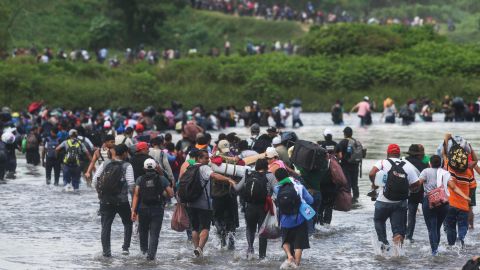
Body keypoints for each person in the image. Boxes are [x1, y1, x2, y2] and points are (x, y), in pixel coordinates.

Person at [184, 149, 236, 257]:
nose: (208, 160)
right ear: (199, 158)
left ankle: (196, 250)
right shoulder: (204, 168)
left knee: (194, 228)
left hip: (190, 203)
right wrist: (228, 179)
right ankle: (200, 248)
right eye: (206, 158)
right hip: (204, 204)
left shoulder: (189, 168)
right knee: (205, 228)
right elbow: (214, 175)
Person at [368, 144, 420, 250]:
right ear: (399, 154)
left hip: (382, 201)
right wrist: (409, 189)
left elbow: (372, 173)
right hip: (400, 202)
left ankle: (384, 243)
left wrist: (375, 183)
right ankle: (398, 253)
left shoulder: (382, 163)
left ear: (388, 153)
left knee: (379, 221)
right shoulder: (407, 165)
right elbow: (417, 184)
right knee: (398, 230)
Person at [418, 155, 470, 255]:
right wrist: (465, 196)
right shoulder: (446, 173)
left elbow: (418, 184)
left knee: (432, 228)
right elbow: (454, 187)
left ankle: (434, 251)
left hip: (429, 202)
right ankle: (436, 248)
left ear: (430, 163)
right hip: (444, 203)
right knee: (437, 227)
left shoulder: (425, 171)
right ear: (441, 164)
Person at [93, 144, 134, 257]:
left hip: (105, 201)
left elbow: (95, 180)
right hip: (122, 201)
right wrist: (134, 200)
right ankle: (125, 248)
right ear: (125, 153)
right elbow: (131, 184)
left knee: (106, 226)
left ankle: (106, 252)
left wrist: (100, 195)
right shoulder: (127, 165)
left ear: (115, 153)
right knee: (128, 223)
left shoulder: (105, 163)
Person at [232, 159, 276, 259]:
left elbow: (237, 188)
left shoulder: (248, 174)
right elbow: (276, 190)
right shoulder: (270, 176)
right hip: (263, 208)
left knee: (250, 228)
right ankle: (262, 256)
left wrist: (231, 182)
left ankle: (250, 249)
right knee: (262, 230)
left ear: (256, 167)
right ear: (266, 167)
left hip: (249, 207)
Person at [131, 158, 174, 260]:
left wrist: (133, 210)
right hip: (157, 209)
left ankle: (143, 253)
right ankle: (151, 256)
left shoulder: (140, 179)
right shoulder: (162, 179)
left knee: (143, 232)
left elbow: (136, 195)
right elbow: (171, 194)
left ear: (144, 168)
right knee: (154, 234)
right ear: (155, 167)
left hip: (143, 209)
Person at [442, 133, 477, 248]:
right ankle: (460, 240)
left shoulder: (448, 166)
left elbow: (444, 154)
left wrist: (446, 139)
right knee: (463, 226)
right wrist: (471, 149)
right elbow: (472, 186)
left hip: (449, 204)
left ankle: (452, 246)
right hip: (463, 206)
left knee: (450, 226)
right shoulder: (468, 172)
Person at [274, 168, 313, 268]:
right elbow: (310, 200)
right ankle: (296, 265)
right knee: (299, 245)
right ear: (287, 175)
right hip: (299, 219)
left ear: (277, 179)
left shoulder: (277, 188)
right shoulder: (298, 185)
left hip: (284, 220)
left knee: (285, 241)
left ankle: (289, 255)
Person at [404, 144, 427, 242]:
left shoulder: (403, 162)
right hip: (421, 193)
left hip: (406, 192)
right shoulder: (423, 164)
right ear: (419, 154)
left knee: (410, 215)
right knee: (429, 214)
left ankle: (408, 236)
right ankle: (433, 232)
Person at [335, 127, 362, 203]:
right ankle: (356, 200)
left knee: (347, 184)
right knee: (355, 184)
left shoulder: (342, 142)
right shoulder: (356, 141)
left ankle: (348, 201)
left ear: (345, 134)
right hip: (356, 165)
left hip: (346, 166)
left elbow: (336, 153)